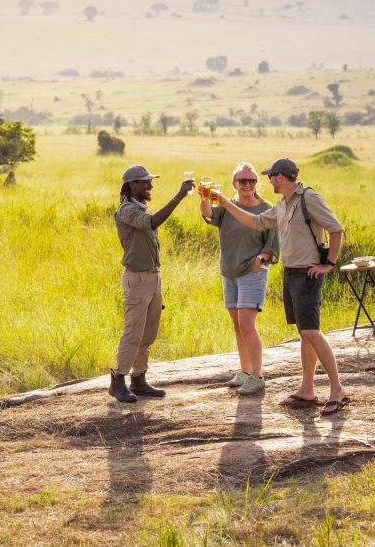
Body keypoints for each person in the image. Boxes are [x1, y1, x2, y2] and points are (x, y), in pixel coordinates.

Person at [213, 158, 350, 416]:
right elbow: (255, 222)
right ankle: (307, 389)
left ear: (280, 177)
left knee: (311, 331)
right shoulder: (283, 205)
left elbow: (336, 228)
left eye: (270, 176)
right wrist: (225, 203)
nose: (266, 181)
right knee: (304, 333)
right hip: (291, 274)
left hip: (308, 275)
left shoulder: (309, 198)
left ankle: (337, 390)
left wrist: (328, 264)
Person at [110, 165, 193, 403]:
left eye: (150, 181)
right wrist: (179, 196)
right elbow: (152, 222)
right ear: (131, 185)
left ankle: (139, 378)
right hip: (137, 278)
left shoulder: (140, 206)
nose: (150, 185)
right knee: (133, 331)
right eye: (145, 182)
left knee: (148, 332)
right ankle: (118, 380)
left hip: (152, 276)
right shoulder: (126, 210)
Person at [200, 162, 279, 396]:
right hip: (229, 272)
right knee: (237, 326)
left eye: (252, 180)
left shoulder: (266, 208)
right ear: (233, 183)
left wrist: (260, 261)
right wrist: (204, 197)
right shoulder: (228, 207)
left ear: (257, 184)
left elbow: (272, 245)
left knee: (247, 325)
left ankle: (258, 376)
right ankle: (245, 372)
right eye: (242, 181)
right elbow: (208, 214)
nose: (247, 184)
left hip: (252, 273)